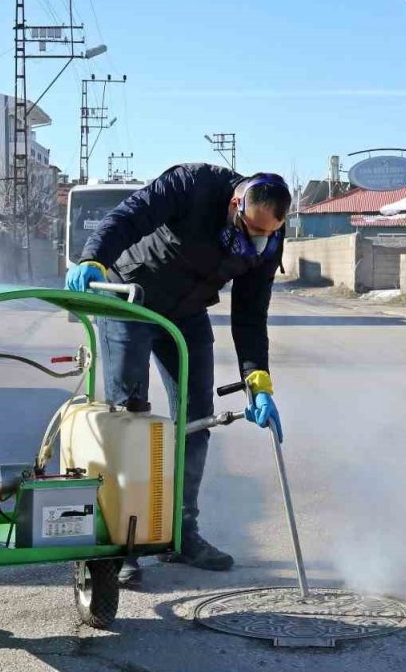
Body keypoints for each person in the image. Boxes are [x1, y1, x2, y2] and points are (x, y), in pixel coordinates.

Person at [65, 164, 289, 585]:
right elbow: (127, 217)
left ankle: (182, 533)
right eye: (251, 231)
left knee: (197, 417)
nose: (256, 243)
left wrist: (256, 381)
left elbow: (250, 317)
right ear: (235, 204)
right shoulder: (192, 184)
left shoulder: (267, 242)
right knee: (130, 419)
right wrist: (94, 257)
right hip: (132, 296)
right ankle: (124, 539)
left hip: (186, 311)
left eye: (266, 235)